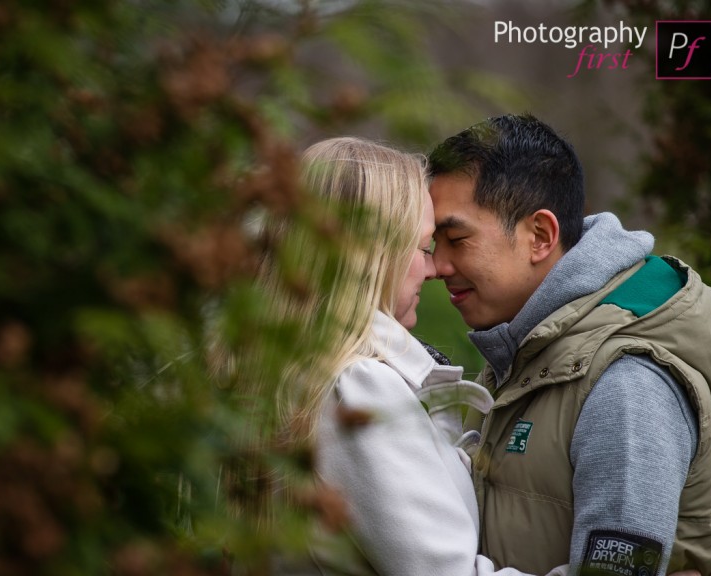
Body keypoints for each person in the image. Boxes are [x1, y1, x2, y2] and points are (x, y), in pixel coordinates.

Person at [425, 114, 711, 576]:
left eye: (457, 239)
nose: (438, 266)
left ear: (539, 236)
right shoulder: (527, 349)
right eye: (432, 243)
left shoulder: (626, 385)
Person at [241, 135, 568, 575]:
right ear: (368, 254)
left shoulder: (295, 368)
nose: (433, 269)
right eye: (423, 247)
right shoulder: (358, 388)